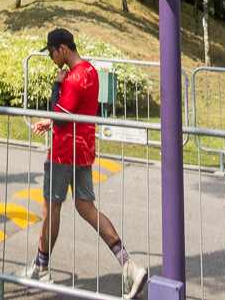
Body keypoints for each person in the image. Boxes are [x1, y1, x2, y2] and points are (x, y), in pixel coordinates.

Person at [25, 28, 147, 298]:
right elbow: (74, 111)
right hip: (84, 150)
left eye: (52, 53)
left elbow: (61, 116)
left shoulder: (72, 79)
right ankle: (129, 266)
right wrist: (53, 117)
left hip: (63, 151)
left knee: (50, 209)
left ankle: (41, 269)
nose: (52, 59)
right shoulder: (91, 71)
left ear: (63, 49)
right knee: (87, 208)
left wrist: (57, 86)